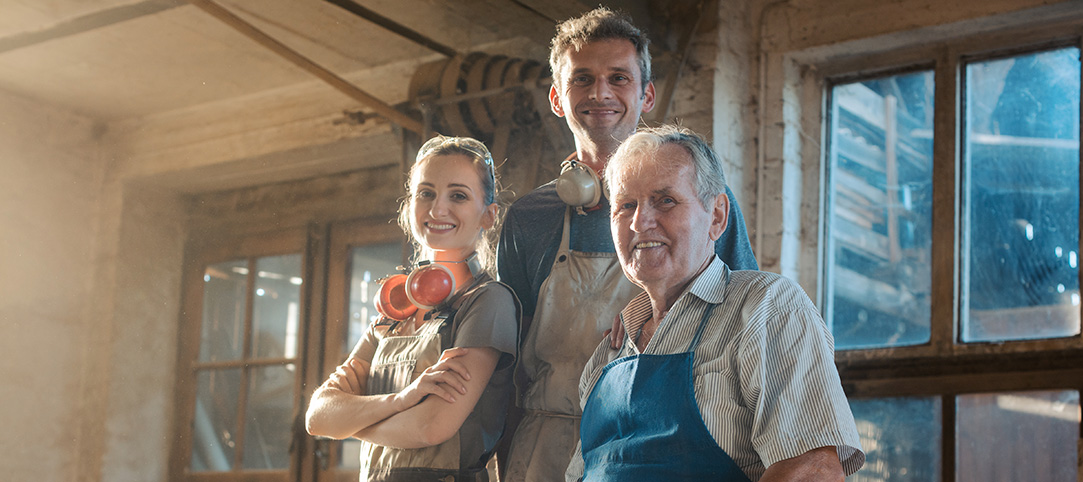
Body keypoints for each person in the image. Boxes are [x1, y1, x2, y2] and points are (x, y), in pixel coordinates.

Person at [497, 7, 758, 482]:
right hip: (542, 450)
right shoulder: (527, 220)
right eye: (582, 79)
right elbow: (509, 369)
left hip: (651, 443)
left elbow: (743, 326)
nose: (600, 93)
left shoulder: (701, 205)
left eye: (619, 77)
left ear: (647, 95)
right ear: (557, 97)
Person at [564, 125, 864, 481]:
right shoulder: (607, 356)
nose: (640, 222)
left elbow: (813, 468)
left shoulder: (765, 307)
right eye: (626, 205)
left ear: (717, 216)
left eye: (665, 200)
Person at [305, 135, 520, 482]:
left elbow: (431, 427)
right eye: (426, 193)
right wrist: (403, 399)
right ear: (409, 206)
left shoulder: (487, 301)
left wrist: (352, 422)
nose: (438, 210)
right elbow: (317, 416)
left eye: (459, 196)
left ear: (488, 216)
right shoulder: (393, 312)